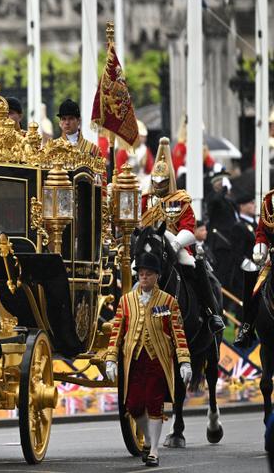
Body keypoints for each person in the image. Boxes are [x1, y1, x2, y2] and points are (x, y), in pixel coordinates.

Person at [105, 252, 191, 468]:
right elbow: (117, 332)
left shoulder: (168, 302)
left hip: (158, 359)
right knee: (133, 405)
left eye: (148, 274)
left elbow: (178, 332)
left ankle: (153, 451)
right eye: (141, 274)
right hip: (133, 359)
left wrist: (184, 361)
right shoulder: (126, 301)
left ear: (157, 276)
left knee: (154, 403)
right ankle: (150, 439)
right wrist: (111, 359)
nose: (144, 277)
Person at [140, 138, 225, 334]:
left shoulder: (180, 200)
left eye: (162, 181)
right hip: (149, 248)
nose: (158, 184)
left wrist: (176, 244)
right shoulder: (145, 199)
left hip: (176, 246)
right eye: (155, 180)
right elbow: (138, 222)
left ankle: (211, 313)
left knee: (196, 269)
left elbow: (188, 226)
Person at [236, 186, 274, 346]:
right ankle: (247, 327)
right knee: (253, 281)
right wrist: (260, 248)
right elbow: (262, 231)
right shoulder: (269, 201)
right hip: (272, 257)